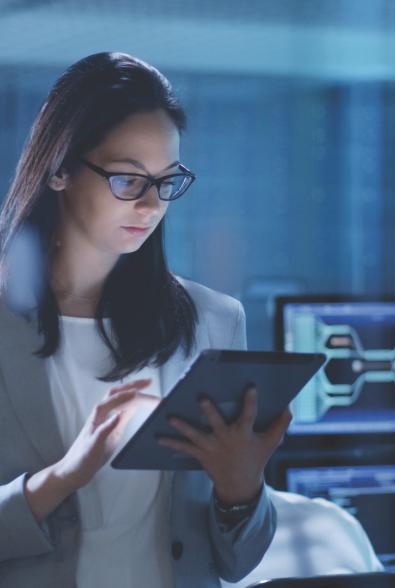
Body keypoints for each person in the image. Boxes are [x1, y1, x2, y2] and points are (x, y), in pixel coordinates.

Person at [0, 51, 291, 588]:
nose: (151, 204)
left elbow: (238, 563)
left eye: (167, 181)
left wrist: (240, 490)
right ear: (59, 168)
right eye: (128, 180)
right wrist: (61, 479)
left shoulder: (213, 320)